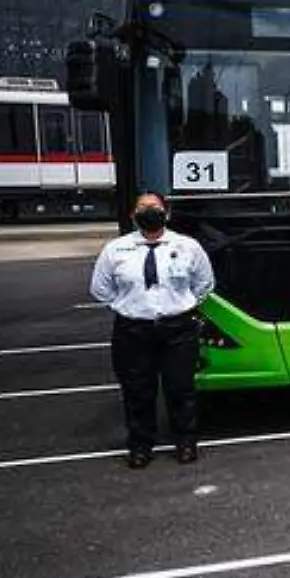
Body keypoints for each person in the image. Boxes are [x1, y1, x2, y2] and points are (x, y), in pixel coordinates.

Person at [90, 191, 215, 468]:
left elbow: (204, 283)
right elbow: (100, 289)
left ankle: (185, 443)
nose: (149, 211)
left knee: (180, 389)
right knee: (137, 391)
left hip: (178, 328)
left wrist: (181, 305)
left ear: (167, 214)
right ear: (133, 216)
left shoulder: (188, 246)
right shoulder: (115, 250)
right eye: (143, 208)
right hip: (132, 331)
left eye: (155, 207)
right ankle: (140, 447)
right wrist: (128, 306)